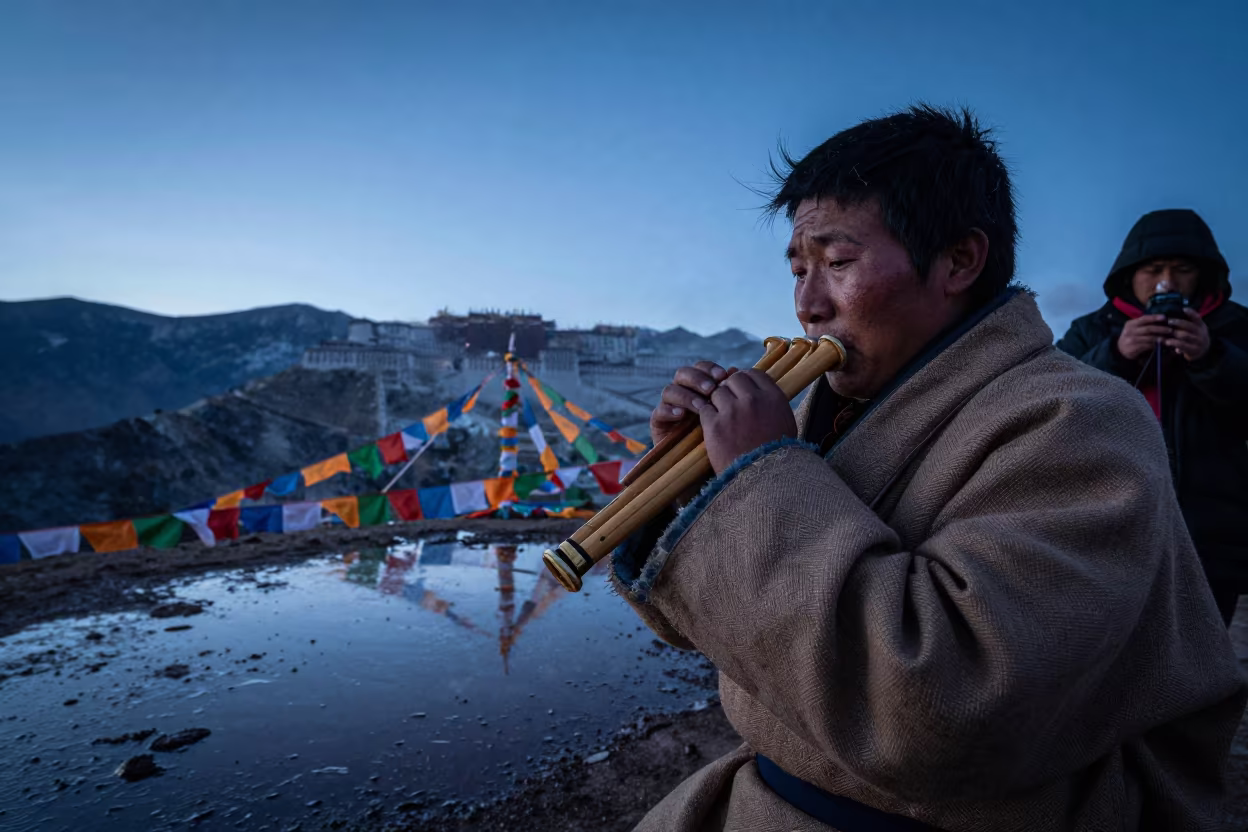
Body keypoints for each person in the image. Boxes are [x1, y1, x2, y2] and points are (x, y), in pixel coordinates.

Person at [609, 105, 1246, 831]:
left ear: (958, 261)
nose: (808, 305)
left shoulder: (1081, 419)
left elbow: (946, 706)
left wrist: (760, 474)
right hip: (767, 788)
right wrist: (692, 483)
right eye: (798, 268)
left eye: (838, 263)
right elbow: (694, 627)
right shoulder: (827, 402)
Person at [1056, 209, 1248, 627]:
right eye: (1153, 269)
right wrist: (1116, 354)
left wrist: (1211, 355)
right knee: (1111, 654)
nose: (1168, 282)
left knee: (1203, 659)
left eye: (1182, 269)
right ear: (1129, 273)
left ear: (1203, 274)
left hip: (1210, 534)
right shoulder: (1092, 330)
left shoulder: (1236, 326)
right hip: (1108, 525)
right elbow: (1053, 402)